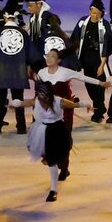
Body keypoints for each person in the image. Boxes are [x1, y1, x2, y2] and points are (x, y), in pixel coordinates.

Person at [32, 40, 84, 203]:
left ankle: (64, 168)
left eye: (53, 56)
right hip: (46, 122)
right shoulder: (42, 74)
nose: (49, 58)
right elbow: (33, 101)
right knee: (50, 155)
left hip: (63, 115)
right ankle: (55, 183)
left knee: (65, 143)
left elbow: (73, 101)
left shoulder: (64, 72)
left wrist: (84, 103)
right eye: (48, 56)